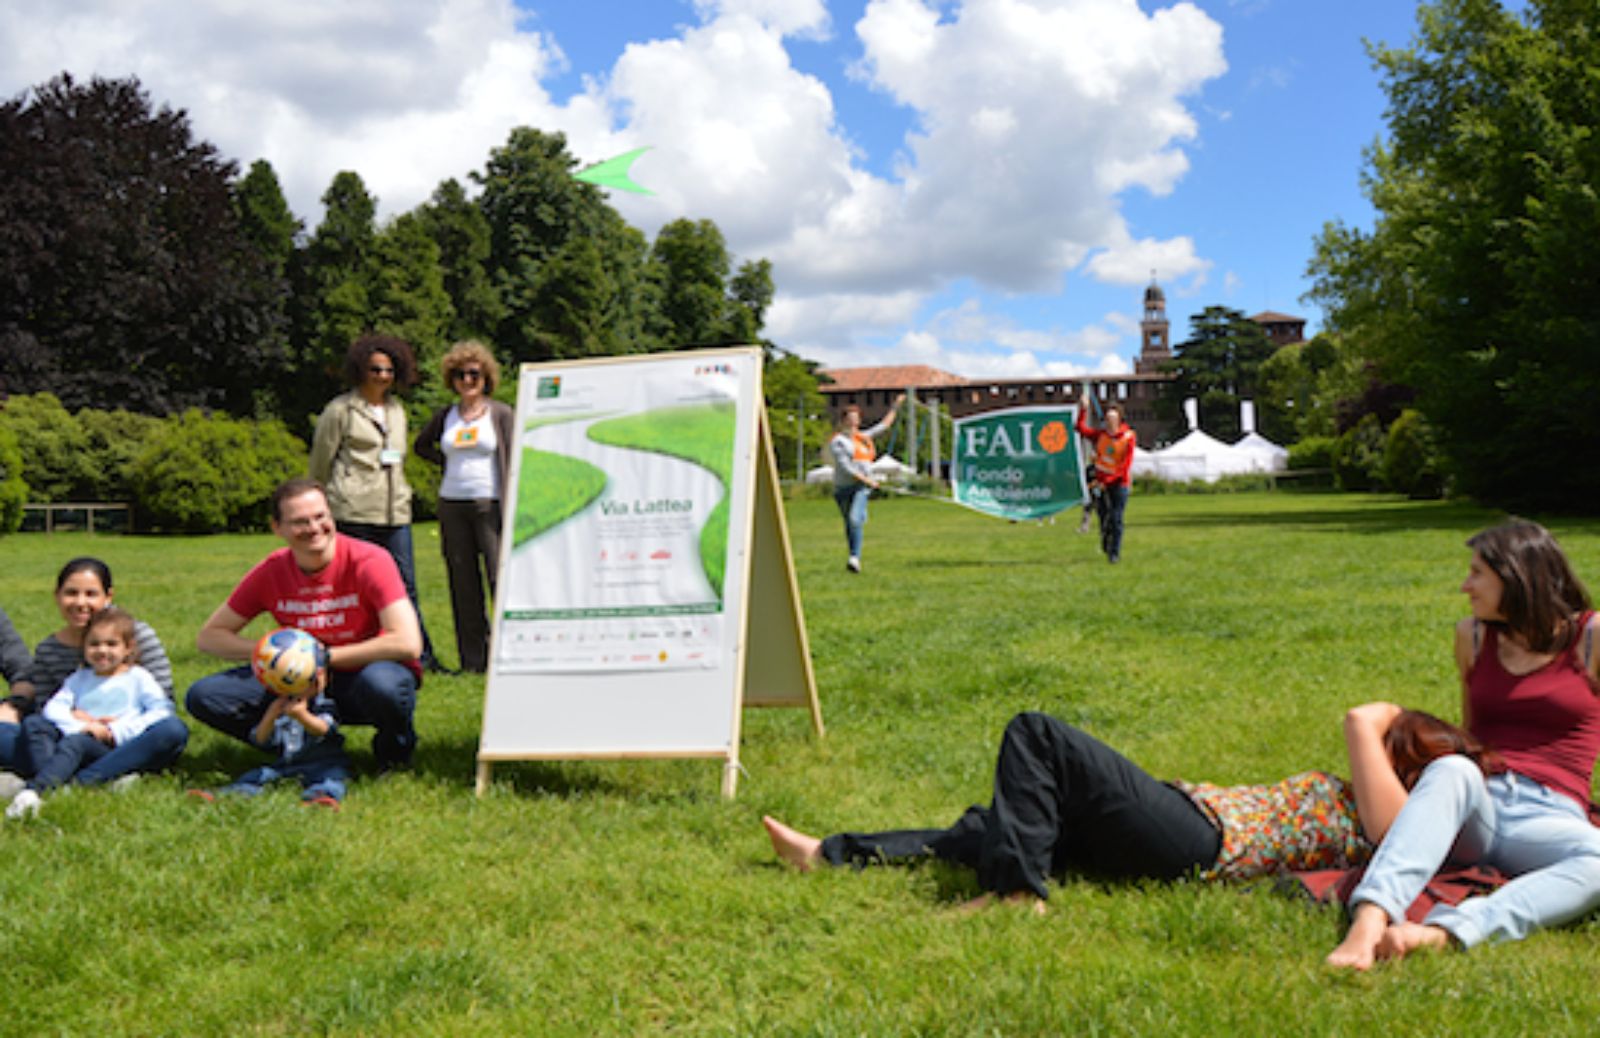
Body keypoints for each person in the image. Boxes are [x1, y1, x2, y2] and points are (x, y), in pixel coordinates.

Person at [763, 708, 1486, 903]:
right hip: (1179, 821)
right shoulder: (1362, 801)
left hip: (1196, 845)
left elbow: (1362, 718)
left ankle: (1019, 893)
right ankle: (832, 854)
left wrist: (1392, 724)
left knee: (1036, 736)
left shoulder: (1392, 824)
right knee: (998, 822)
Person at [1326, 519, 1600, 970]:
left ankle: (1444, 932)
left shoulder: (1590, 638)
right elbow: (1473, 733)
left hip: (1549, 815)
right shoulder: (1471, 636)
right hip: (1479, 802)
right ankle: (1369, 920)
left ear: (1515, 577)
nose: (1464, 586)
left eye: (1476, 574)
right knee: (1455, 768)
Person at [186, 478, 423, 773]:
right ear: (278, 528)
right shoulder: (271, 571)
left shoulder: (370, 560)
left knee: (385, 686)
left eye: (321, 517)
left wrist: (322, 657)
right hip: (295, 681)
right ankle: (296, 746)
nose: (314, 528)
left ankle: (394, 753)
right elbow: (209, 637)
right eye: (300, 522)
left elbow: (408, 642)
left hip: (362, 673)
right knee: (204, 695)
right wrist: (272, 655)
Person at [309, 333, 444, 672]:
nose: (382, 376)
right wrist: (319, 504)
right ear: (360, 369)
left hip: (394, 510)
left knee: (405, 586)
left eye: (389, 370)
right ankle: (358, 654)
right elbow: (320, 463)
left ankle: (420, 655)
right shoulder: (340, 410)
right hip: (353, 509)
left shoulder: (398, 411)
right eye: (375, 369)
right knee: (357, 588)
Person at [0, 557, 175, 786]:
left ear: (108, 597)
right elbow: (46, 709)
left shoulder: (137, 636)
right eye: (71, 593)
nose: (80, 603)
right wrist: (77, 720)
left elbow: (163, 703)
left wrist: (114, 728)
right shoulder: (49, 649)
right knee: (20, 730)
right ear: (57, 596)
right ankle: (104, 774)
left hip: (128, 735)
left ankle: (63, 780)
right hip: (68, 735)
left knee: (172, 731)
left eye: (91, 594)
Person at [5, 606, 187, 819]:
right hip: (77, 739)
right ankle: (54, 778)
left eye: (111, 644)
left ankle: (43, 787)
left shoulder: (138, 677)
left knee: (172, 730)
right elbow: (54, 708)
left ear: (129, 648)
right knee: (35, 724)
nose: (102, 650)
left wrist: (114, 730)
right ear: (84, 648)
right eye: (94, 644)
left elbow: (162, 709)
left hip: (115, 747)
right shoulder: (80, 678)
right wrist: (83, 726)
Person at [413, 341, 514, 673]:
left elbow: (516, 457)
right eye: (460, 374)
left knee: (500, 581)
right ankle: (473, 661)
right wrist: (448, 464)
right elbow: (421, 446)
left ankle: (508, 656)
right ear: (451, 379)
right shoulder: (446, 416)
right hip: (451, 506)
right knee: (462, 584)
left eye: (474, 373)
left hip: (491, 506)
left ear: (486, 377)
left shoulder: (501, 414)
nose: (467, 380)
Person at [193, 681, 352, 809]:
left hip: (323, 764)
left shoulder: (323, 704)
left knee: (334, 778)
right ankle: (231, 793)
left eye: (312, 681)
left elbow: (322, 729)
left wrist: (302, 715)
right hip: (286, 765)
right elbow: (260, 739)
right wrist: (270, 716)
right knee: (257, 776)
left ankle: (321, 797)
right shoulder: (279, 708)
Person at [828, 395, 903, 573]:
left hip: (860, 488)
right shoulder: (838, 442)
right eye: (850, 419)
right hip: (843, 488)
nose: (853, 422)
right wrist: (868, 480)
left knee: (854, 519)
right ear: (843, 421)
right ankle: (853, 554)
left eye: (856, 419)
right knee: (850, 523)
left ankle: (854, 558)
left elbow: (884, 426)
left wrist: (895, 406)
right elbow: (846, 468)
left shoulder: (863, 437)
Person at [1075, 395, 1135, 563]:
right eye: (1107, 419)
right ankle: (1106, 541)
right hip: (1101, 484)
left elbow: (1125, 467)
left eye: (1113, 419)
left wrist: (1106, 482)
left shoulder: (1128, 437)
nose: (1109, 422)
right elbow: (1080, 428)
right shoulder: (1101, 435)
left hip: (1119, 484)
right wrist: (1083, 409)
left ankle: (1114, 553)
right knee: (1103, 517)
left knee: (1116, 518)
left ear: (1119, 419)